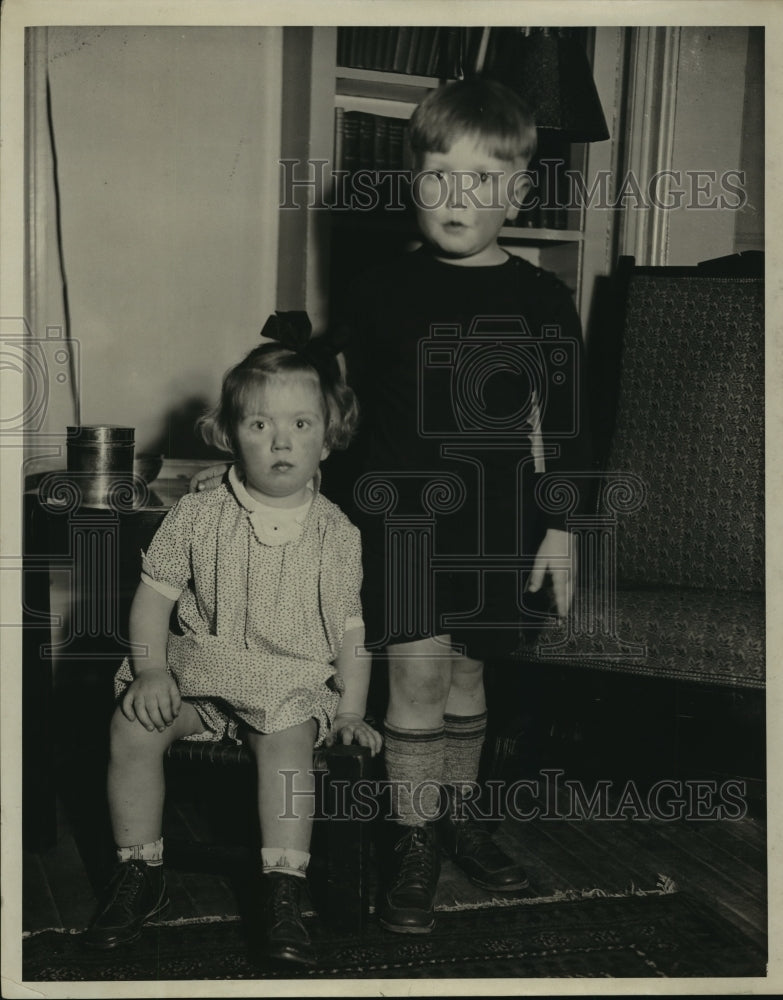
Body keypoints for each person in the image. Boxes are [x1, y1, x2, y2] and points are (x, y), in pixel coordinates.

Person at [193, 79, 591, 935]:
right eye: (440, 175)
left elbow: (568, 428)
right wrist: (263, 478)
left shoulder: (541, 301)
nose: (458, 197)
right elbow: (335, 415)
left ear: (517, 192)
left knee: (468, 674)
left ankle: (458, 815)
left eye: (483, 180)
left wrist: (560, 527)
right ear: (413, 182)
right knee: (412, 678)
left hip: (499, 524)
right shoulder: (376, 292)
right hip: (400, 523)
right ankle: (412, 842)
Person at [83, 322, 382, 967]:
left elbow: (351, 630)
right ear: (229, 436)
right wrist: (151, 671)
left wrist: (352, 709)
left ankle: (282, 886)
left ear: (328, 440)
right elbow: (154, 598)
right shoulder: (196, 513)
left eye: (302, 425)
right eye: (260, 426)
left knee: (288, 739)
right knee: (132, 726)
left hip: (290, 680)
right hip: (203, 669)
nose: (281, 441)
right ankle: (139, 869)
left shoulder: (337, 532)